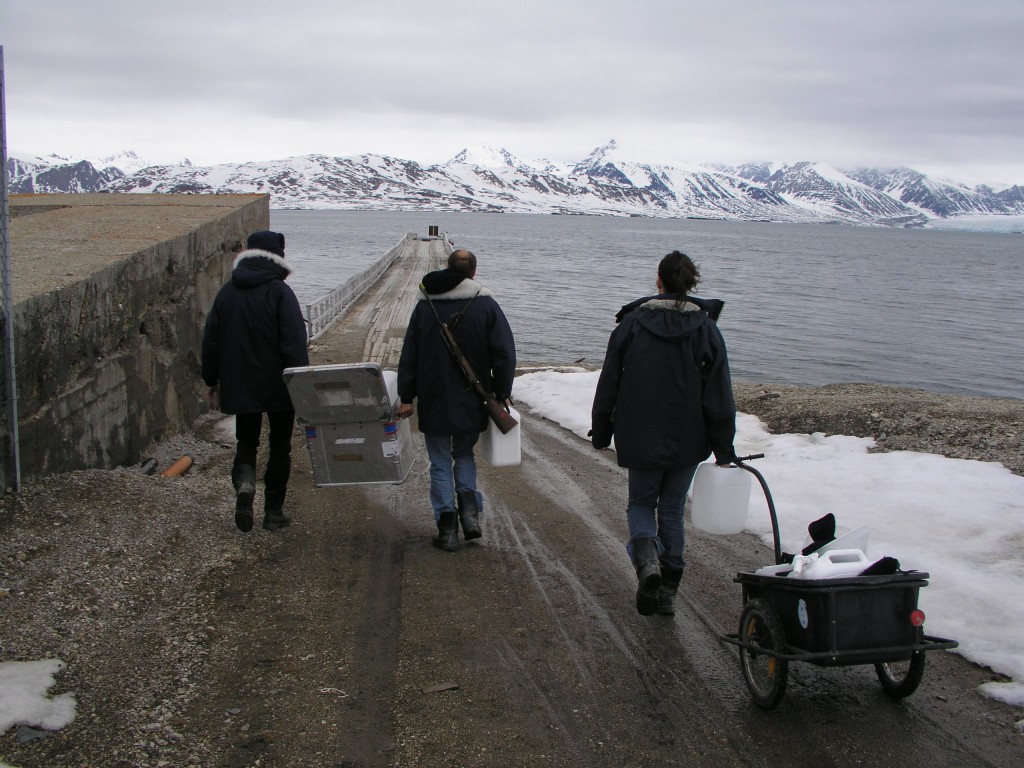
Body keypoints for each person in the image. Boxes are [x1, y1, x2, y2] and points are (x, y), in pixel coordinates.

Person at [591, 250, 737, 616]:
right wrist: (723, 446)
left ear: (659, 281)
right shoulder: (706, 329)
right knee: (671, 509)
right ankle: (668, 591)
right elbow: (718, 392)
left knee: (641, 504)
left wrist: (602, 427)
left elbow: (610, 380)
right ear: (692, 284)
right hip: (689, 438)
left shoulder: (633, 324)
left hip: (640, 433)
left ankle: (647, 565)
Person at [396, 249, 516, 551]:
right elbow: (504, 353)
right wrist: (501, 392)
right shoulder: (485, 304)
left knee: (439, 462)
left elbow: (409, 354)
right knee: (464, 455)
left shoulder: (425, 307)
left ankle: (447, 530)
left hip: (434, 395)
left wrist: (406, 395)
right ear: (473, 272)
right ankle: (471, 517)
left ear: (448, 268)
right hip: (472, 396)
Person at [201, 230, 309, 532]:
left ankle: (246, 486)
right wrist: (301, 384)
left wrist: (211, 379)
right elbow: (294, 344)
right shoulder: (280, 293)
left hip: (239, 383)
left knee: (246, 441)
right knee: (279, 446)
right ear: (278, 257)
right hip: (279, 387)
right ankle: (273, 513)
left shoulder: (226, 293)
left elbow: (210, 340)